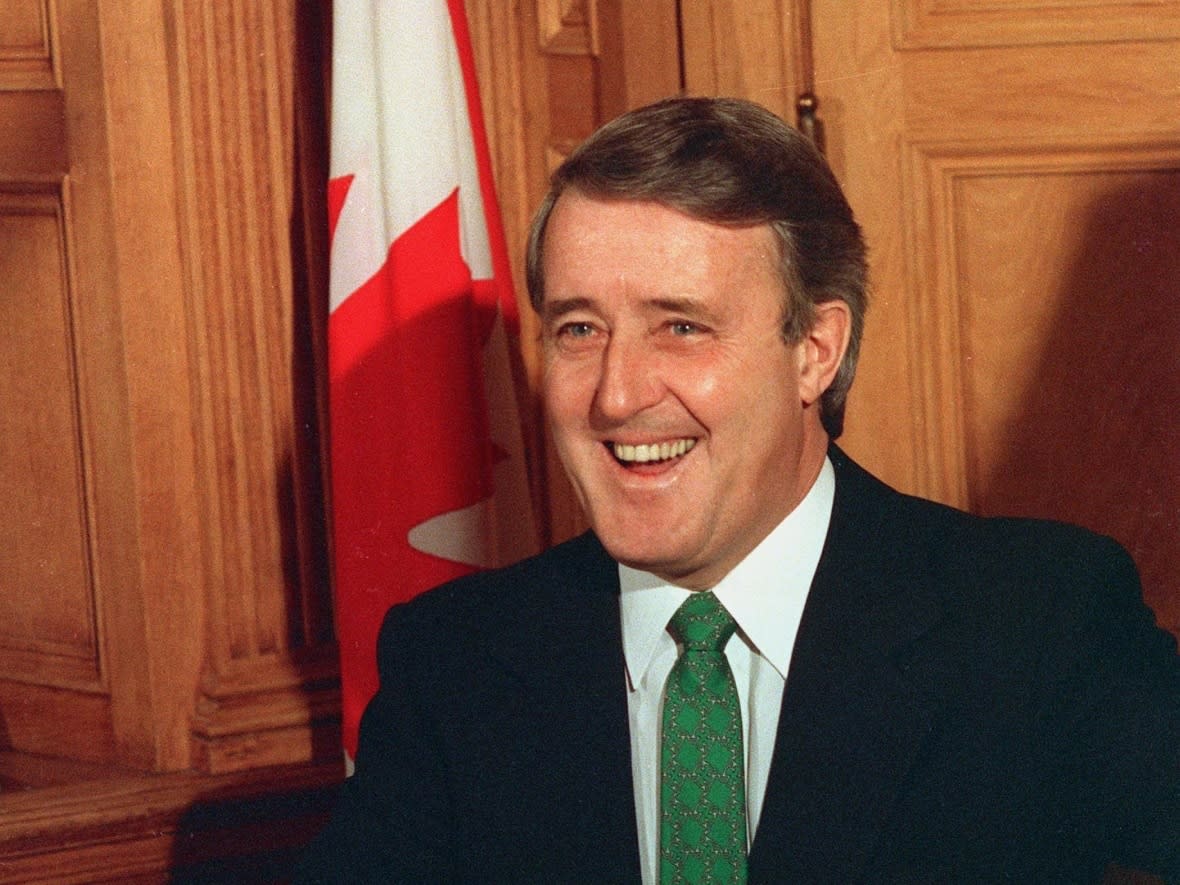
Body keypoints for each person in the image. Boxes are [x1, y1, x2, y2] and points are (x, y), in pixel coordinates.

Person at [297, 97, 1180, 883]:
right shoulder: (456, 664)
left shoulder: (1038, 623)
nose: (614, 394)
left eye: (681, 326)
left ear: (815, 350)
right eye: (578, 328)